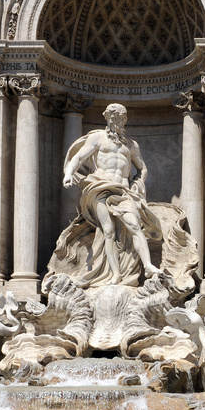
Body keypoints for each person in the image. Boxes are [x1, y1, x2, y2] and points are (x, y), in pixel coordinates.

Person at [61, 103, 163, 286]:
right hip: (100, 186)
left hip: (123, 191)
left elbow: (142, 168)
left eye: (118, 117)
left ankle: (148, 266)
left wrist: (137, 183)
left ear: (124, 120)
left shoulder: (131, 145)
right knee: (108, 230)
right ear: (106, 118)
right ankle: (115, 275)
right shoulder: (98, 138)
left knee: (134, 225)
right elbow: (78, 157)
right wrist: (69, 174)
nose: (113, 120)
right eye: (110, 117)